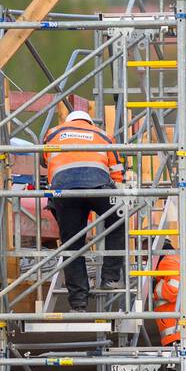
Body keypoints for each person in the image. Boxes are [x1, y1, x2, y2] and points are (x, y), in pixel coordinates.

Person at [43, 109, 126, 311]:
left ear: (69, 121)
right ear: (89, 122)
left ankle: (78, 301)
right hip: (98, 187)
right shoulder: (102, 134)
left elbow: (46, 160)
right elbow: (116, 171)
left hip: (66, 192)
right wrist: (117, 192)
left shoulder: (53, 133)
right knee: (117, 222)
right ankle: (110, 278)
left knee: (72, 244)